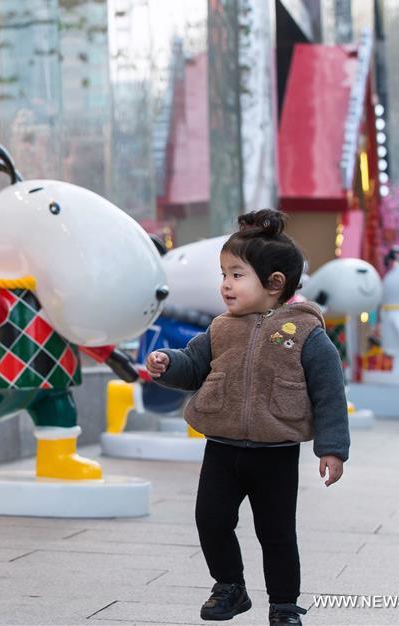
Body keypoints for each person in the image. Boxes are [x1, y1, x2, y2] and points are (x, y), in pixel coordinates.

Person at [146, 209, 350, 626]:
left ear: (275, 283)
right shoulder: (221, 328)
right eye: (223, 274)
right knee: (211, 520)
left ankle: (284, 605)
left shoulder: (306, 334)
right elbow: (193, 366)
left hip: (275, 452)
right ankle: (229, 587)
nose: (225, 284)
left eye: (237, 275)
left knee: (276, 532)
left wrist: (331, 448)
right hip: (222, 448)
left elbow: (330, 392)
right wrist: (168, 363)